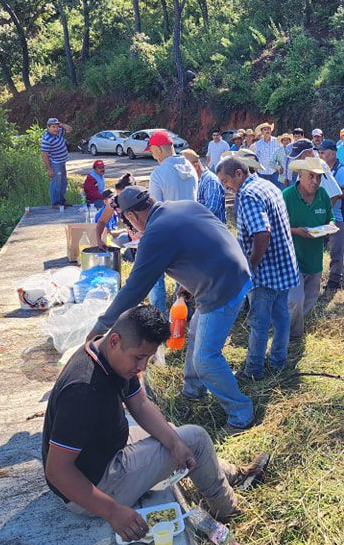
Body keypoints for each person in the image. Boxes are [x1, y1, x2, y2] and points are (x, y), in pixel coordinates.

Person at [47, 304, 269, 541]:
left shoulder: (108, 355)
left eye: (148, 357)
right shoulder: (83, 390)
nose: (142, 367)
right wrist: (112, 511)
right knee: (195, 438)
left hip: (105, 451)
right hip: (92, 485)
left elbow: (140, 404)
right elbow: (57, 471)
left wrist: (173, 442)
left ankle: (232, 474)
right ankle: (229, 511)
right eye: (139, 357)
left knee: (174, 435)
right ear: (114, 341)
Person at [89, 188, 256, 432]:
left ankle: (241, 414)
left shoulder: (155, 234)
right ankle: (193, 390)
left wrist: (101, 325)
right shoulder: (183, 205)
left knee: (206, 359)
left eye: (127, 221)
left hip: (222, 289)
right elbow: (204, 242)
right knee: (195, 334)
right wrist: (187, 285)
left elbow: (134, 289)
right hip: (236, 272)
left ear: (133, 215)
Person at [215, 156, 300, 380]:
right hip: (284, 266)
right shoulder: (267, 185)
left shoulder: (248, 195)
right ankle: (278, 361)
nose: (226, 187)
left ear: (239, 174)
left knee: (258, 323)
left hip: (266, 272)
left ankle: (253, 371)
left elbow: (262, 233)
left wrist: (251, 265)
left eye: (226, 182)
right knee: (281, 318)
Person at [281, 158, 335, 338]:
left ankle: (293, 325)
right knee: (295, 299)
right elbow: (275, 226)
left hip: (314, 256)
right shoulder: (287, 195)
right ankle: (290, 335)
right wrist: (295, 231)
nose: (315, 181)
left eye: (319, 177)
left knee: (311, 297)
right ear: (300, 175)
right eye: (311, 176)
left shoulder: (323, 195)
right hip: (292, 257)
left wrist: (330, 227)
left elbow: (331, 218)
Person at [147, 131, 199, 319]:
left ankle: (158, 317)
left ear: (159, 149)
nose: (152, 155)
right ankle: (185, 314)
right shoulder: (190, 167)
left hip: (168, 231)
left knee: (154, 274)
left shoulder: (159, 173)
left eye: (152, 150)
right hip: (192, 230)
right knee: (185, 276)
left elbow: (155, 209)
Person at [319, 140, 344, 289]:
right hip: (321, 215)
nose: (320, 155)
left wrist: (334, 191)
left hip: (338, 216)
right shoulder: (320, 169)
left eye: (323, 152)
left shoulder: (342, 171)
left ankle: (334, 281)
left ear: (333, 153)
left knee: (336, 250)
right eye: (319, 152)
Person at [182, 149, 226, 223]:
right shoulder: (195, 180)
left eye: (185, 167)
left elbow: (211, 209)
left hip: (213, 231)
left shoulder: (210, 181)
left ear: (195, 166)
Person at [41, 117, 72, 208]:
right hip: (55, 163)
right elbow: (44, 155)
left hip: (62, 162)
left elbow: (69, 129)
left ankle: (61, 201)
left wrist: (61, 124)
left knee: (63, 182)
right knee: (56, 183)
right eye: (53, 127)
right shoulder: (46, 139)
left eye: (56, 127)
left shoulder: (59, 132)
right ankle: (55, 203)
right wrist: (49, 169)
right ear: (48, 127)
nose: (55, 129)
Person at [252, 122, 284, 187]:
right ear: (262, 132)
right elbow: (256, 158)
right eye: (265, 129)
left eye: (269, 129)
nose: (267, 131)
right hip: (262, 173)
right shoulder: (258, 144)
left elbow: (282, 155)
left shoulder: (277, 141)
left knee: (278, 192)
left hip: (275, 172)